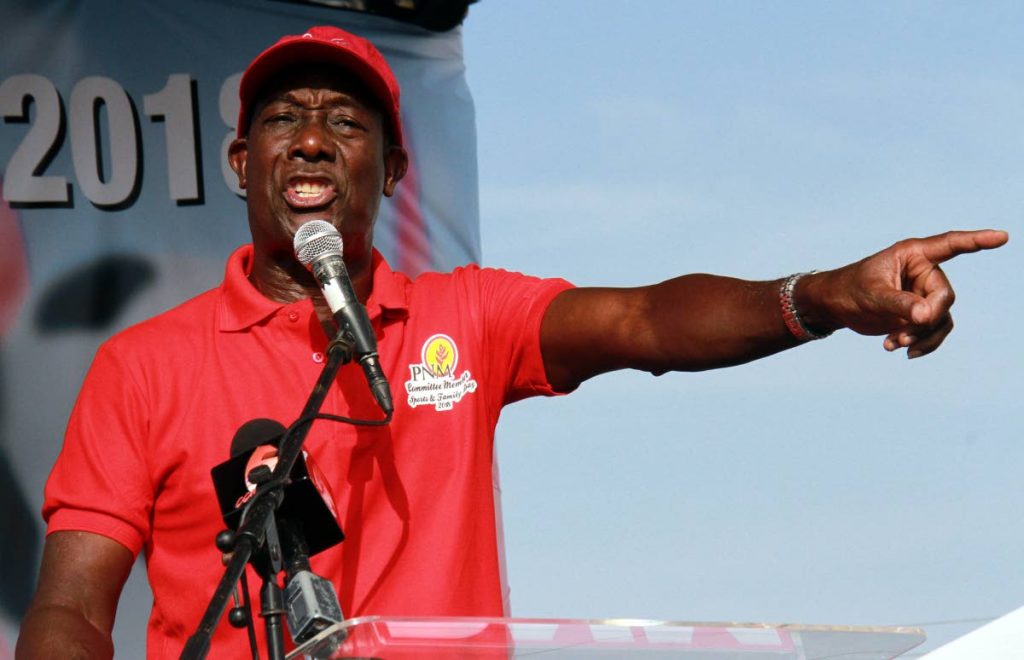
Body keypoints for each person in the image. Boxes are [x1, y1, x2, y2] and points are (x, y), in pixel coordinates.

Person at [16, 25, 1007, 659]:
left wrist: (825, 296)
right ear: (243, 162)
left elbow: (644, 322)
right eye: (284, 117)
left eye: (344, 121)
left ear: (394, 166)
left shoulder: (463, 317)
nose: (312, 139)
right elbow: (72, 607)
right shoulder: (144, 364)